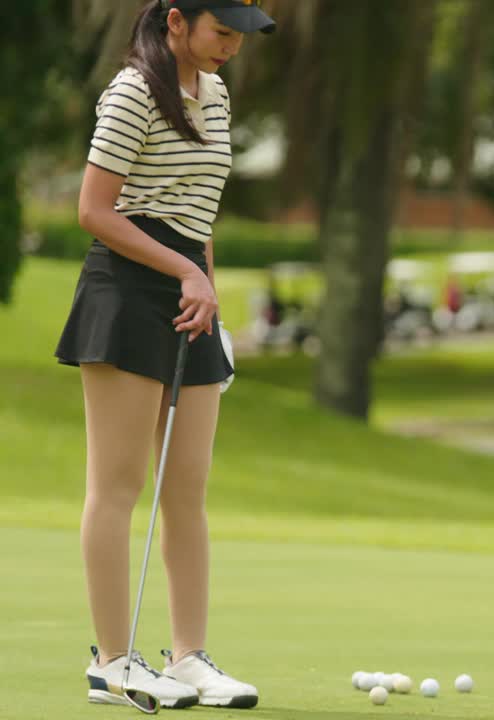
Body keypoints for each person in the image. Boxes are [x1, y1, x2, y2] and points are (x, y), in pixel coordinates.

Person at [54, 0, 275, 709]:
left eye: (241, 38)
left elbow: (199, 211)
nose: (232, 48)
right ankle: (113, 663)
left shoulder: (216, 94)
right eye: (221, 32)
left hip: (188, 295)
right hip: (125, 291)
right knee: (116, 487)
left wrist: (205, 288)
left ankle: (187, 660)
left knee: (187, 490)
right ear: (176, 20)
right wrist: (183, 272)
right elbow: (93, 209)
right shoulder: (131, 91)